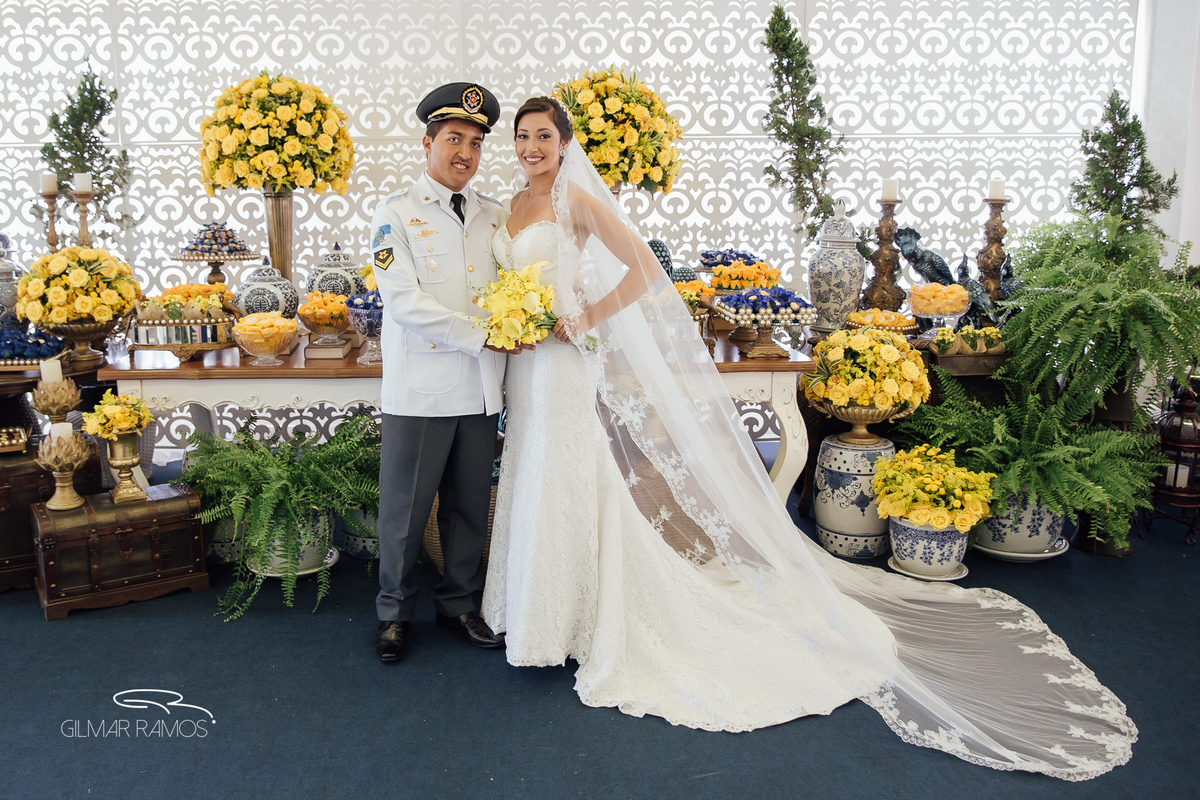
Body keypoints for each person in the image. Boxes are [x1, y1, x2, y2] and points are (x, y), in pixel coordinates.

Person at [480, 96, 1136, 780]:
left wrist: (585, 314)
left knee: (565, 475)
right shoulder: (512, 204)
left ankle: (570, 619)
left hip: (563, 363)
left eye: (543, 136)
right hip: (522, 366)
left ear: (565, 143)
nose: (531, 146)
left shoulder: (576, 202)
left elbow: (643, 267)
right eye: (523, 136)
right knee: (532, 472)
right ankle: (531, 612)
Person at [369, 82, 524, 662]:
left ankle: (460, 602)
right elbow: (403, 302)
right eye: (454, 138)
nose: (465, 152)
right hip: (421, 390)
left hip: (483, 389)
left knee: (467, 507)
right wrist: (482, 333)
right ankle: (392, 612)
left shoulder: (494, 217)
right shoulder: (396, 215)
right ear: (428, 142)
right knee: (406, 511)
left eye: (476, 142)